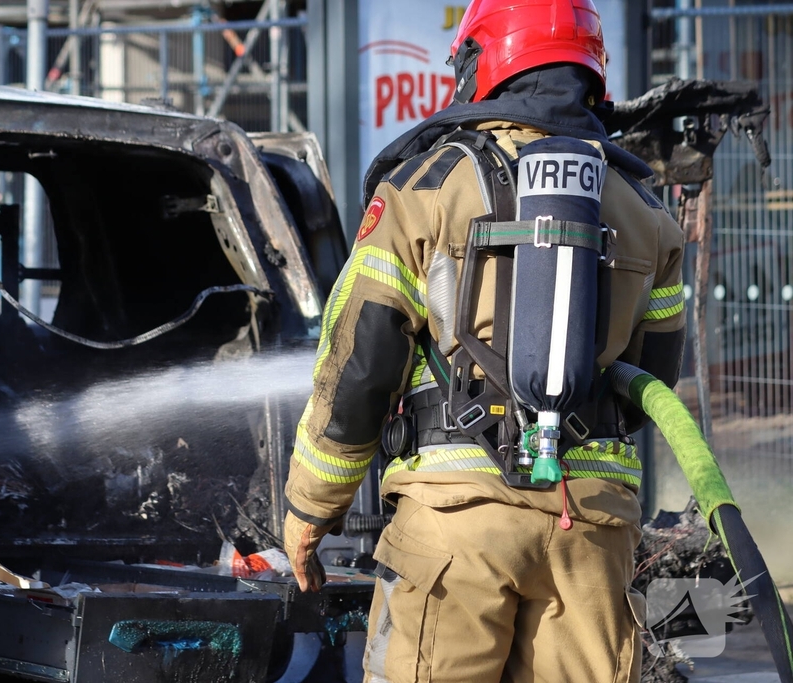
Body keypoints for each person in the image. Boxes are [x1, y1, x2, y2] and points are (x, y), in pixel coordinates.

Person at [282, 0, 687, 681]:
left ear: (484, 61)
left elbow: (359, 364)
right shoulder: (646, 209)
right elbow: (654, 380)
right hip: (588, 537)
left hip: (454, 528)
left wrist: (307, 508)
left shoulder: (426, 186)